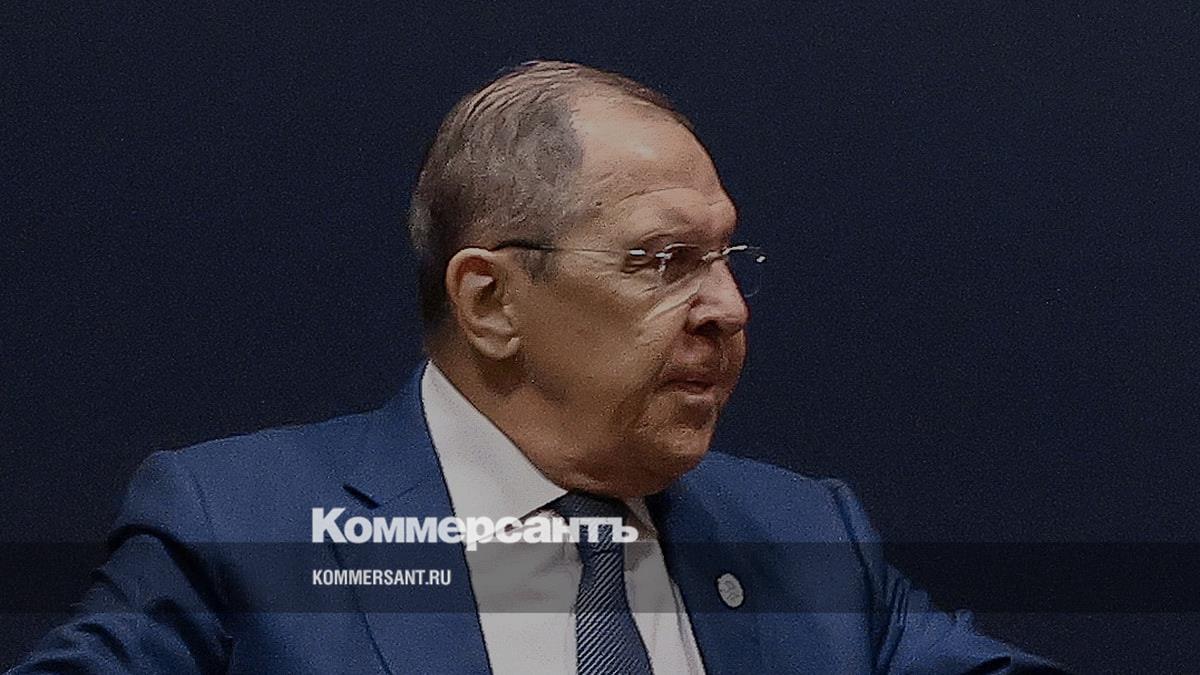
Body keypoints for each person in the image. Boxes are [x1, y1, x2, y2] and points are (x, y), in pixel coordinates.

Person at [9, 61, 1064, 674]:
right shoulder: (237, 525)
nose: (727, 309)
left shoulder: (807, 537)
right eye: (664, 261)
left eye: (725, 258)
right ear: (490, 301)